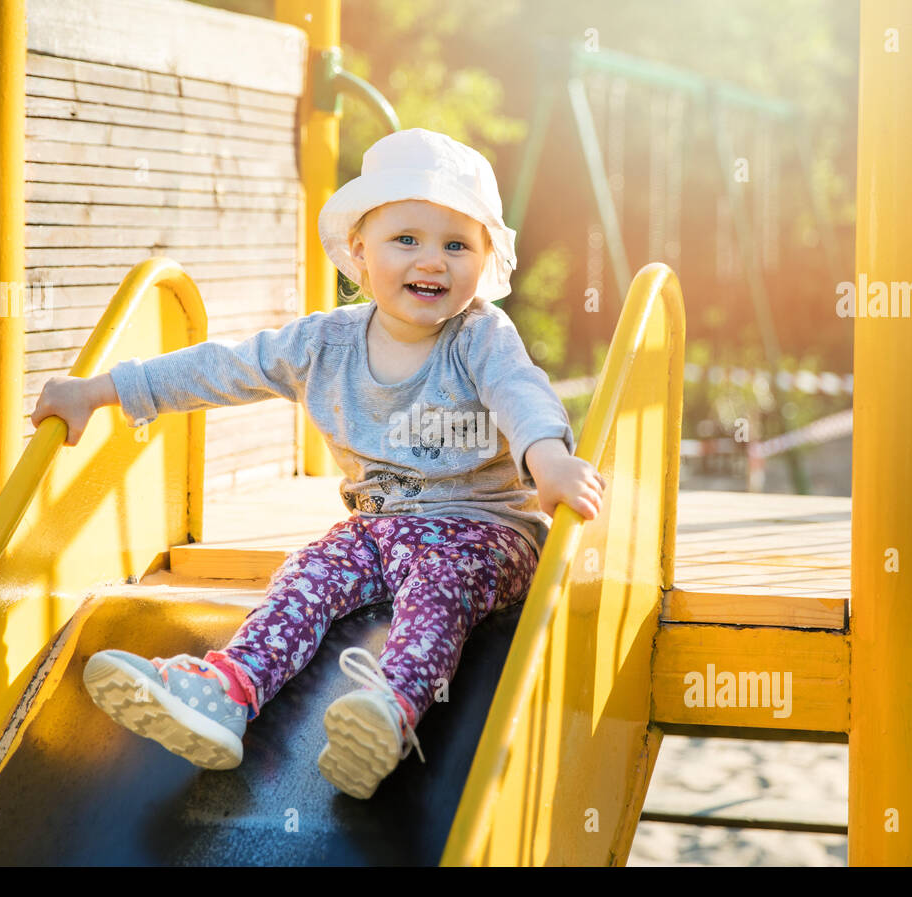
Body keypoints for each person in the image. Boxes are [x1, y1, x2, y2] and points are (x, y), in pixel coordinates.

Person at [30, 128, 605, 799]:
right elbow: (222, 368)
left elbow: (520, 393)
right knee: (307, 575)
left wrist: (550, 460)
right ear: (360, 252)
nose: (433, 261)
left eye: (457, 244)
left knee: (439, 588)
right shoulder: (322, 342)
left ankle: (391, 713)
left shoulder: (479, 335)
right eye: (407, 239)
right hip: (376, 527)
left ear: (484, 260)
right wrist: (100, 390)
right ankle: (227, 692)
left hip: (484, 531)